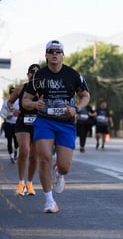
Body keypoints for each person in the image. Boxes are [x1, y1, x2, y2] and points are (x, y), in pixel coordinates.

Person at [22, 40, 90, 213]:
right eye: (51, 51)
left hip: (66, 123)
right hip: (44, 121)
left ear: (62, 55)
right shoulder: (39, 76)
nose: (54, 54)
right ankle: (49, 201)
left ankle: (59, 173)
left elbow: (85, 96)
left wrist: (76, 109)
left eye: (58, 51)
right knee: (44, 157)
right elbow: (25, 100)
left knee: (65, 166)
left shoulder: (73, 75)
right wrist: (34, 104)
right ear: (45, 55)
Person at [7, 64, 40, 196]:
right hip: (22, 122)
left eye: (38, 72)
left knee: (34, 156)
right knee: (24, 150)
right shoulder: (21, 88)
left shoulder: (43, 89)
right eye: (32, 72)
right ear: (28, 74)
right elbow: (9, 102)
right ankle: (21, 183)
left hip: (38, 124)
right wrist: (13, 109)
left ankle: (30, 183)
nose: (35, 74)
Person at [0, 86, 19, 163]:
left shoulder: (19, 101)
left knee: (16, 141)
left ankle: (16, 150)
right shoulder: (6, 102)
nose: (13, 94)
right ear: (9, 93)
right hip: (8, 124)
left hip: (17, 124)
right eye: (11, 92)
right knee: (9, 141)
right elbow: (1, 113)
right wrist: (6, 116)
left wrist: (18, 114)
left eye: (14, 92)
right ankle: (11, 156)